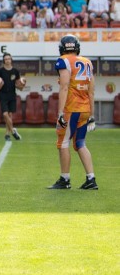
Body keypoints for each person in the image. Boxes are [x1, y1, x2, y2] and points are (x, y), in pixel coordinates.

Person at [47, 36, 98, 190]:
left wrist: (61, 113)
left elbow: (64, 87)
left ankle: (65, 179)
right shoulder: (87, 62)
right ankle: (91, 179)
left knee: (63, 143)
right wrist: (92, 115)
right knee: (80, 143)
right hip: (84, 109)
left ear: (62, 48)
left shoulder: (64, 61)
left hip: (72, 108)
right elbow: (91, 91)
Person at [0, 52, 25, 141]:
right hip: (3, 95)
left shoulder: (15, 71)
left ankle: (7, 134)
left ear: (11, 60)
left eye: (9, 59)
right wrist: (0, 84)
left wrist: (22, 85)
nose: (7, 60)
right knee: (5, 114)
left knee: (10, 114)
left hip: (12, 95)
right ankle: (13, 131)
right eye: (6, 59)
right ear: (4, 61)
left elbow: (19, 87)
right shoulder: (0, 71)